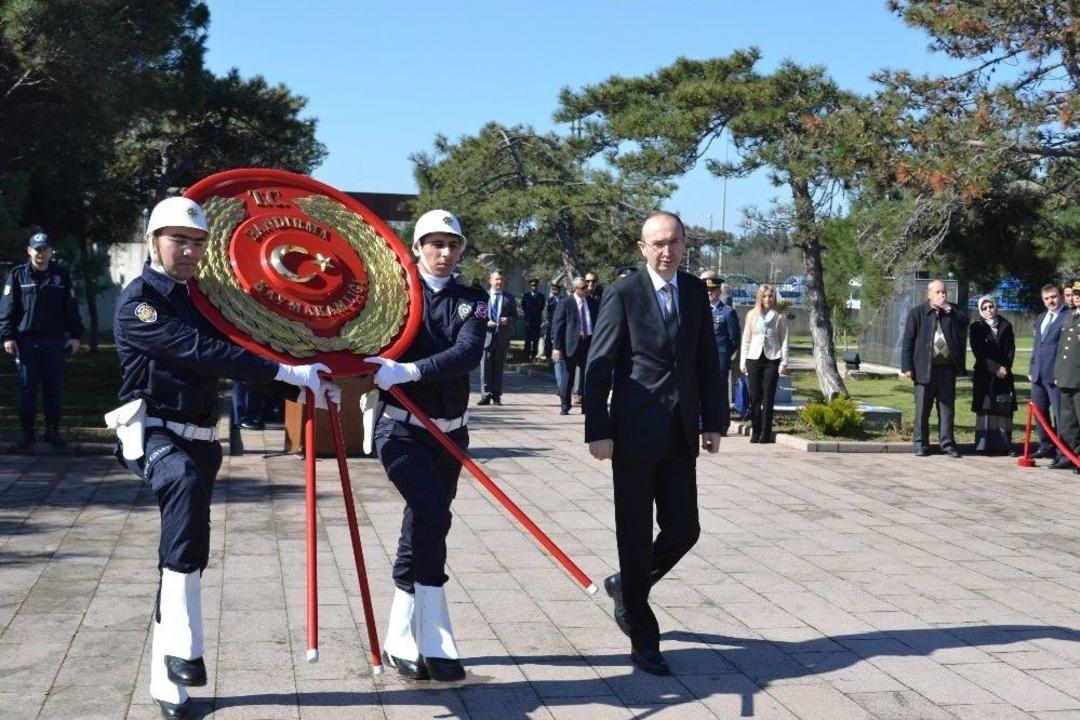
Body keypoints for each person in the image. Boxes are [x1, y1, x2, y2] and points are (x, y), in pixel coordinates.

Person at [110, 196, 337, 720]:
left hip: (200, 437)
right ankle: (184, 646)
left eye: (197, 242)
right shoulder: (139, 303)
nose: (189, 251)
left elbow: (242, 347)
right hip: (152, 430)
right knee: (182, 485)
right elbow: (202, 351)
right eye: (178, 240)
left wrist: (306, 380)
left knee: (186, 542)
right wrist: (284, 374)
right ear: (152, 242)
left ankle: (167, 683)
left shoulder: (204, 300)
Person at [584, 211, 722, 676]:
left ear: (685, 244)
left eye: (674, 242)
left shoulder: (694, 292)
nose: (667, 251)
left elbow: (707, 360)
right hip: (633, 434)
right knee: (635, 534)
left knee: (684, 529)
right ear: (642, 248)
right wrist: (598, 428)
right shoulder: (623, 293)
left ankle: (627, 585)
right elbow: (600, 363)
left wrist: (714, 421)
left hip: (681, 432)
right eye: (658, 243)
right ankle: (643, 634)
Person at [363, 209, 487, 682]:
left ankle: (402, 635)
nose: (444, 253)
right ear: (416, 248)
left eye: (452, 245)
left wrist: (411, 371)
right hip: (401, 430)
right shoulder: (393, 297)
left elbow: (467, 352)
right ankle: (435, 636)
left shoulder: (473, 301)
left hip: (451, 432)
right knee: (432, 512)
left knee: (425, 519)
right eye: (435, 243)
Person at [0, 232, 83, 449]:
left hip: (54, 342)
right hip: (25, 342)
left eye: (45, 249)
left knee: (52, 389)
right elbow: (7, 309)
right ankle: (27, 434)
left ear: (51, 251)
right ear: (29, 251)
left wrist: (75, 336)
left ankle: (52, 432)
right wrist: (7, 336)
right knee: (27, 389)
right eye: (37, 249)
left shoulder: (61, 276)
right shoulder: (17, 275)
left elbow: (71, 308)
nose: (41, 253)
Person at [901, 279, 969, 458]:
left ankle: (947, 444)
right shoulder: (917, 313)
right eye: (938, 292)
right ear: (929, 294)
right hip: (924, 369)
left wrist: (948, 309)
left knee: (947, 409)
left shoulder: (952, 311)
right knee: (922, 409)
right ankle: (920, 444)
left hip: (946, 369)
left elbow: (964, 323)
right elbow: (908, 341)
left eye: (944, 292)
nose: (942, 295)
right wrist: (907, 366)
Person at [739, 284, 789, 443]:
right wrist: (743, 361)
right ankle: (756, 431)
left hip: (772, 359)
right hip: (753, 358)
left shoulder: (779, 317)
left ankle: (766, 433)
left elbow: (784, 340)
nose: (767, 299)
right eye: (765, 296)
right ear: (760, 298)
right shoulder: (751, 315)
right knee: (754, 397)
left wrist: (784, 361)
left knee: (768, 397)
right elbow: (746, 339)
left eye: (770, 296)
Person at [969, 295, 1017, 455]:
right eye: (984, 308)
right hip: (985, 373)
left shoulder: (1006, 325)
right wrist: (995, 368)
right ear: (980, 310)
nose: (988, 310)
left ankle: (1004, 445)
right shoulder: (976, 327)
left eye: (991, 306)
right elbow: (979, 352)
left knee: (1003, 408)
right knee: (986, 408)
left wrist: (1005, 367)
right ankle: (984, 445)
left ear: (995, 307)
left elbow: (1011, 349)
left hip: (1004, 374)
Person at [1029, 284, 1066, 460]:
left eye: (1053, 297)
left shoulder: (1067, 317)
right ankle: (1046, 445)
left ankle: (1062, 450)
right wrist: (1031, 368)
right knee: (1040, 412)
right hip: (1038, 375)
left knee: (1060, 415)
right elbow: (1037, 346)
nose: (1051, 301)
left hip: (1056, 375)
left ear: (1061, 296)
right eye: (1046, 298)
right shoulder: (1041, 318)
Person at [551, 276, 598, 415]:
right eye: (583, 287)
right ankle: (565, 405)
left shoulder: (592, 302)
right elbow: (557, 326)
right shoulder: (565, 303)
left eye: (587, 286)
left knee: (587, 374)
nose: (586, 289)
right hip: (571, 344)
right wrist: (556, 347)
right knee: (568, 375)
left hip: (588, 342)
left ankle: (586, 405)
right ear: (575, 289)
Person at [701, 270, 740, 435]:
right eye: (707, 290)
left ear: (718, 291)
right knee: (701, 390)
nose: (710, 293)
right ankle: (702, 423)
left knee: (720, 391)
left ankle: (722, 423)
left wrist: (725, 354)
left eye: (713, 290)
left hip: (719, 358)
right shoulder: (698, 310)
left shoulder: (727, 312)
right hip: (701, 359)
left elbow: (734, 339)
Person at [1050, 280, 1080, 471]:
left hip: (1078, 377)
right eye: (1075, 294)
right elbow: (1062, 348)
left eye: (1079, 294)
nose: (1077, 297)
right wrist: (1058, 372)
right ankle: (1070, 456)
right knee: (1068, 422)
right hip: (1066, 376)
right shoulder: (1070, 316)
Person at [478, 270, 516, 405]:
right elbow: (476, 316)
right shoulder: (483, 296)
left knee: (499, 368)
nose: (499, 282)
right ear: (490, 281)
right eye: (497, 279)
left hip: (502, 337)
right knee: (485, 367)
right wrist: (485, 323)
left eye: (501, 279)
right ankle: (485, 395)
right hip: (487, 337)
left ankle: (496, 395)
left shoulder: (509, 298)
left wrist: (508, 320)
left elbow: (515, 316)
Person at [521, 277, 546, 359]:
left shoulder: (541, 296)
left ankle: (534, 355)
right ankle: (526, 355)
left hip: (536, 320)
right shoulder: (526, 296)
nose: (534, 287)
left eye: (535, 285)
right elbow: (524, 307)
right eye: (532, 285)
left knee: (536, 339)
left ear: (537, 286)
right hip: (528, 320)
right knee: (527, 339)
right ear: (530, 286)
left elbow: (541, 307)